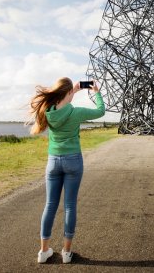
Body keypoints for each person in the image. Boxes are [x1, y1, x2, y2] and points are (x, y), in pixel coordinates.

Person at [29, 77, 105, 264]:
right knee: (70, 206)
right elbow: (100, 111)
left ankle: (43, 251)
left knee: (50, 205)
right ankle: (66, 252)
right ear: (69, 93)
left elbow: (62, 102)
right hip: (73, 161)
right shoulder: (76, 112)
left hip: (53, 162)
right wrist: (96, 93)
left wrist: (73, 90)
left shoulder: (48, 111)